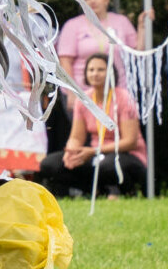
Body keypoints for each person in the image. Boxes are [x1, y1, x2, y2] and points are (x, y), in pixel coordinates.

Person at [37, 52, 145, 197]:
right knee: (50, 164)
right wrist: (71, 152)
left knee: (107, 165)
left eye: (101, 70)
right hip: (94, 154)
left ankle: (124, 191)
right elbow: (76, 137)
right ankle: (97, 192)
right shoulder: (84, 99)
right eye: (91, 70)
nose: (95, 74)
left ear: (111, 72)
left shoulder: (124, 97)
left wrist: (93, 151)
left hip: (125, 155)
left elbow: (130, 142)